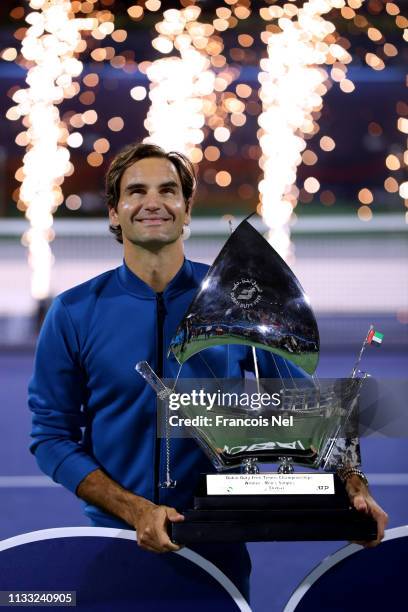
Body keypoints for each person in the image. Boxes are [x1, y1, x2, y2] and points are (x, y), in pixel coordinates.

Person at [28, 142, 387, 603]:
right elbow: (51, 437)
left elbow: (312, 415)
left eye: (168, 190)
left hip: (217, 548)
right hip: (115, 542)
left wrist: (354, 492)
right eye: (136, 191)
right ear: (115, 213)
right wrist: (135, 510)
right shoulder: (74, 312)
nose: (152, 202)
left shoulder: (241, 301)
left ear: (186, 208)